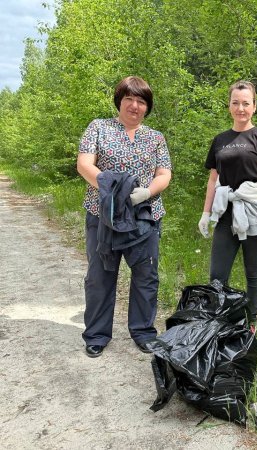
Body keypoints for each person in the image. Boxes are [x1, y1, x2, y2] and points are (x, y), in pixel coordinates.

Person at [77, 76, 172, 358]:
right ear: (119, 101)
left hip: (145, 216)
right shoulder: (99, 127)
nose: (134, 105)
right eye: (129, 99)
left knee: (146, 275)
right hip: (103, 215)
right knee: (100, 275)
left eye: (141, 101)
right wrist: (113, 191)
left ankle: (143, 331)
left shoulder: (156, 138)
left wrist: (146, 193)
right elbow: (84, 164)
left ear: (147, 107)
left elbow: (164, 174)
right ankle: (96, 334)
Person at [198, 80, 257, 323]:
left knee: (253, 273)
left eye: (246, 103)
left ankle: (250, 321)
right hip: (225, 214)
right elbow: (213, 180)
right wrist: (205, 213)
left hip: (254, 214)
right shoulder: (220, 139)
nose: (240, 108)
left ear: (254, 106)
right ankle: (218, 321)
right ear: (229, 105)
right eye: (235, 103)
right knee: (217, 276)